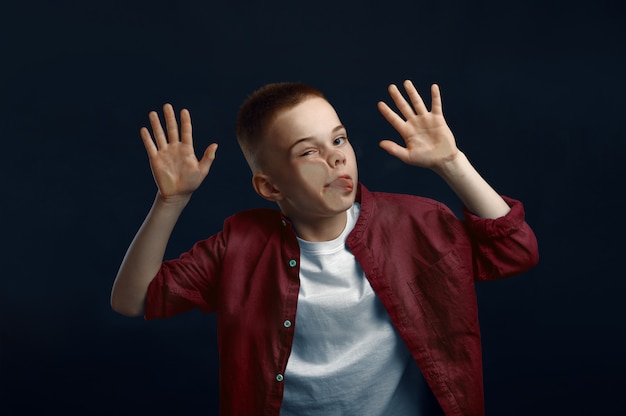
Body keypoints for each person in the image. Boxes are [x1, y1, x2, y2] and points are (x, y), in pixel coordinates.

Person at [111, 80, 538, 416]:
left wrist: (451, 162)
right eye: (308, 152)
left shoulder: (417, 223)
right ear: (269, 185)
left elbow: (516, 250)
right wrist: (171, 202)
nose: (335, 159)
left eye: (338, 140)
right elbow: (134, 301)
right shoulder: (238, 244)